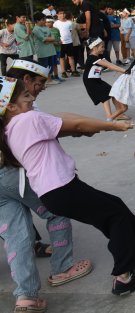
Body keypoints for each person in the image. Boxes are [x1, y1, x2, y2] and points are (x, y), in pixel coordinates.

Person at [1, 80, 135, 296]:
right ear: (10, 106)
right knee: (115, 216)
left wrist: (87, 129)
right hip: (60, 188)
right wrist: (113, 125)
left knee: (116, 206)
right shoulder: (28, 119)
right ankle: (124, 277)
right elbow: (76, 125)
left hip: (56, 190)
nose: (32, 98)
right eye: (25, 96)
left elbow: (64, 124)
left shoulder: (10, 129)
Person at [0, 77, 92, 312]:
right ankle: (62, 269)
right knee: (57, 211)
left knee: (16, 238)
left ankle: (27, 297)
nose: (32, 97)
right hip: (13, 176)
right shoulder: (21, 116)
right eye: (27, 95)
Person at [82, 37, 130, 120]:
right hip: (90, 82)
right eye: (102, 47)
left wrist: (124, 70)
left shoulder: (99, 56)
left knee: (112, 92)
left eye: (103, 47)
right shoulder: (92, 58)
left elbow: (109, 63)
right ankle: (109, 117)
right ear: (94, 48)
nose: (103, 49)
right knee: (105, 97)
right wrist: (123, 70)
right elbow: (107, 66)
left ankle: (119, 113)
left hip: (97, 80)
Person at [109, 53, 135, 122]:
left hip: (118, 88)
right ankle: (109, 120)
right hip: (123, 89)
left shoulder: (134, 66)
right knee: (124, 108)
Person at [31, 13, 57, 86]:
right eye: (43, 19)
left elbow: (53, 37)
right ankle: (41, 82)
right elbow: (43, 39)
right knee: (43, 67)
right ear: (37, 20)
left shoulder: (45, 27)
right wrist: (49, 39)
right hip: (43, 51)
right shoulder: (36, 29)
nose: (44, 21)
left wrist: (50, 39)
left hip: (50, 50)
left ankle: (49, 80)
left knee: (50, 66)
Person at [54, 11, 75, 78]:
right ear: (57, 15)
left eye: (63, 13)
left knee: (71, 57)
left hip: (69, 42)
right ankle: (63, 71)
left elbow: (70, 31)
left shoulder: (69, 23)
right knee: (62, 58)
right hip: (61, 43)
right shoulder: (56, 23)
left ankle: (73, 71)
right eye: (60, 14)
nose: (62, 15)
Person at [45, 17, 65, 83]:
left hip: (57, 49)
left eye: (49, 22)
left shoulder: (56, 29)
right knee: (51, 63)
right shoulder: (45, 30)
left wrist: (59, 42)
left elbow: (59, 38)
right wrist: (54, 43)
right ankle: (51, 76)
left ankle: (56, 76)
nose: (47, 24)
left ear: (53, 22)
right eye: (46, 22)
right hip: (50, 49)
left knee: (55, 63)